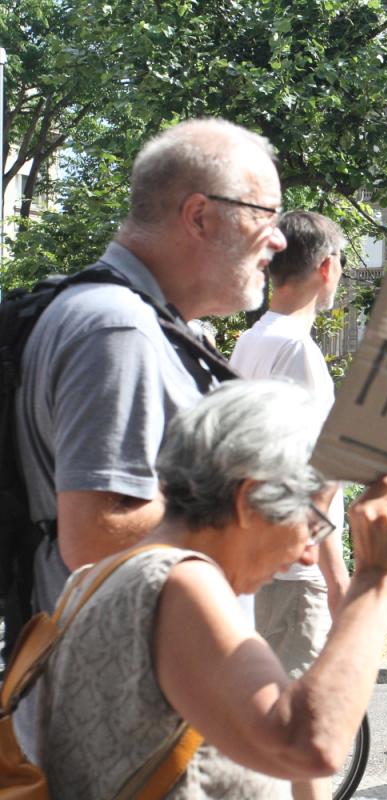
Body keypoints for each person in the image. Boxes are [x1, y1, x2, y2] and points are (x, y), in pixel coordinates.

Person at [37, 379, 387, 799]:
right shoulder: (180, 584)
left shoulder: (102, 577)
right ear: (251, 498)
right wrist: (375, 581)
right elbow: (309, 744)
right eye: (312, 523)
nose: (308, 556)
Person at [15, 118, 287, 616]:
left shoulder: (132, 321)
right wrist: (256, 507)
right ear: (200, 216)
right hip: (122, 686)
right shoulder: (119, 329)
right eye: (266, 215)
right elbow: (95, 536)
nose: (279, 241)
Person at [229, 210, 351, 800]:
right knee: (307, 739)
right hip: (292, 568)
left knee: (264, 736)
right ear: (327, 268)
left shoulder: (249, 341)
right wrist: (336, 573)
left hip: (253, 562)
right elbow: (314, 480)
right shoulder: (299, 353)